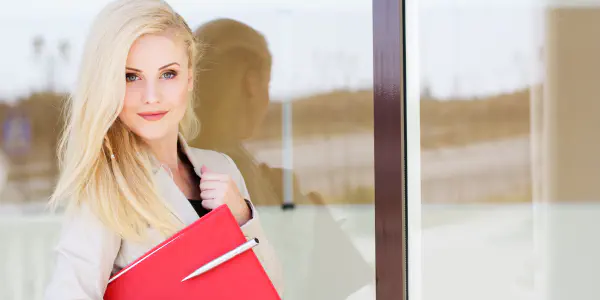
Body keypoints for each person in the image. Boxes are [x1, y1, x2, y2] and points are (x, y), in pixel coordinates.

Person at [42, 1, 283, 299]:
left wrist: (242, 217)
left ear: (190, 78)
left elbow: (271, 290)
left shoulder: (221, 168)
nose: (152, 97)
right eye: (131, 77)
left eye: (168, 74)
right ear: (108, 84)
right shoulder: (107, 186)